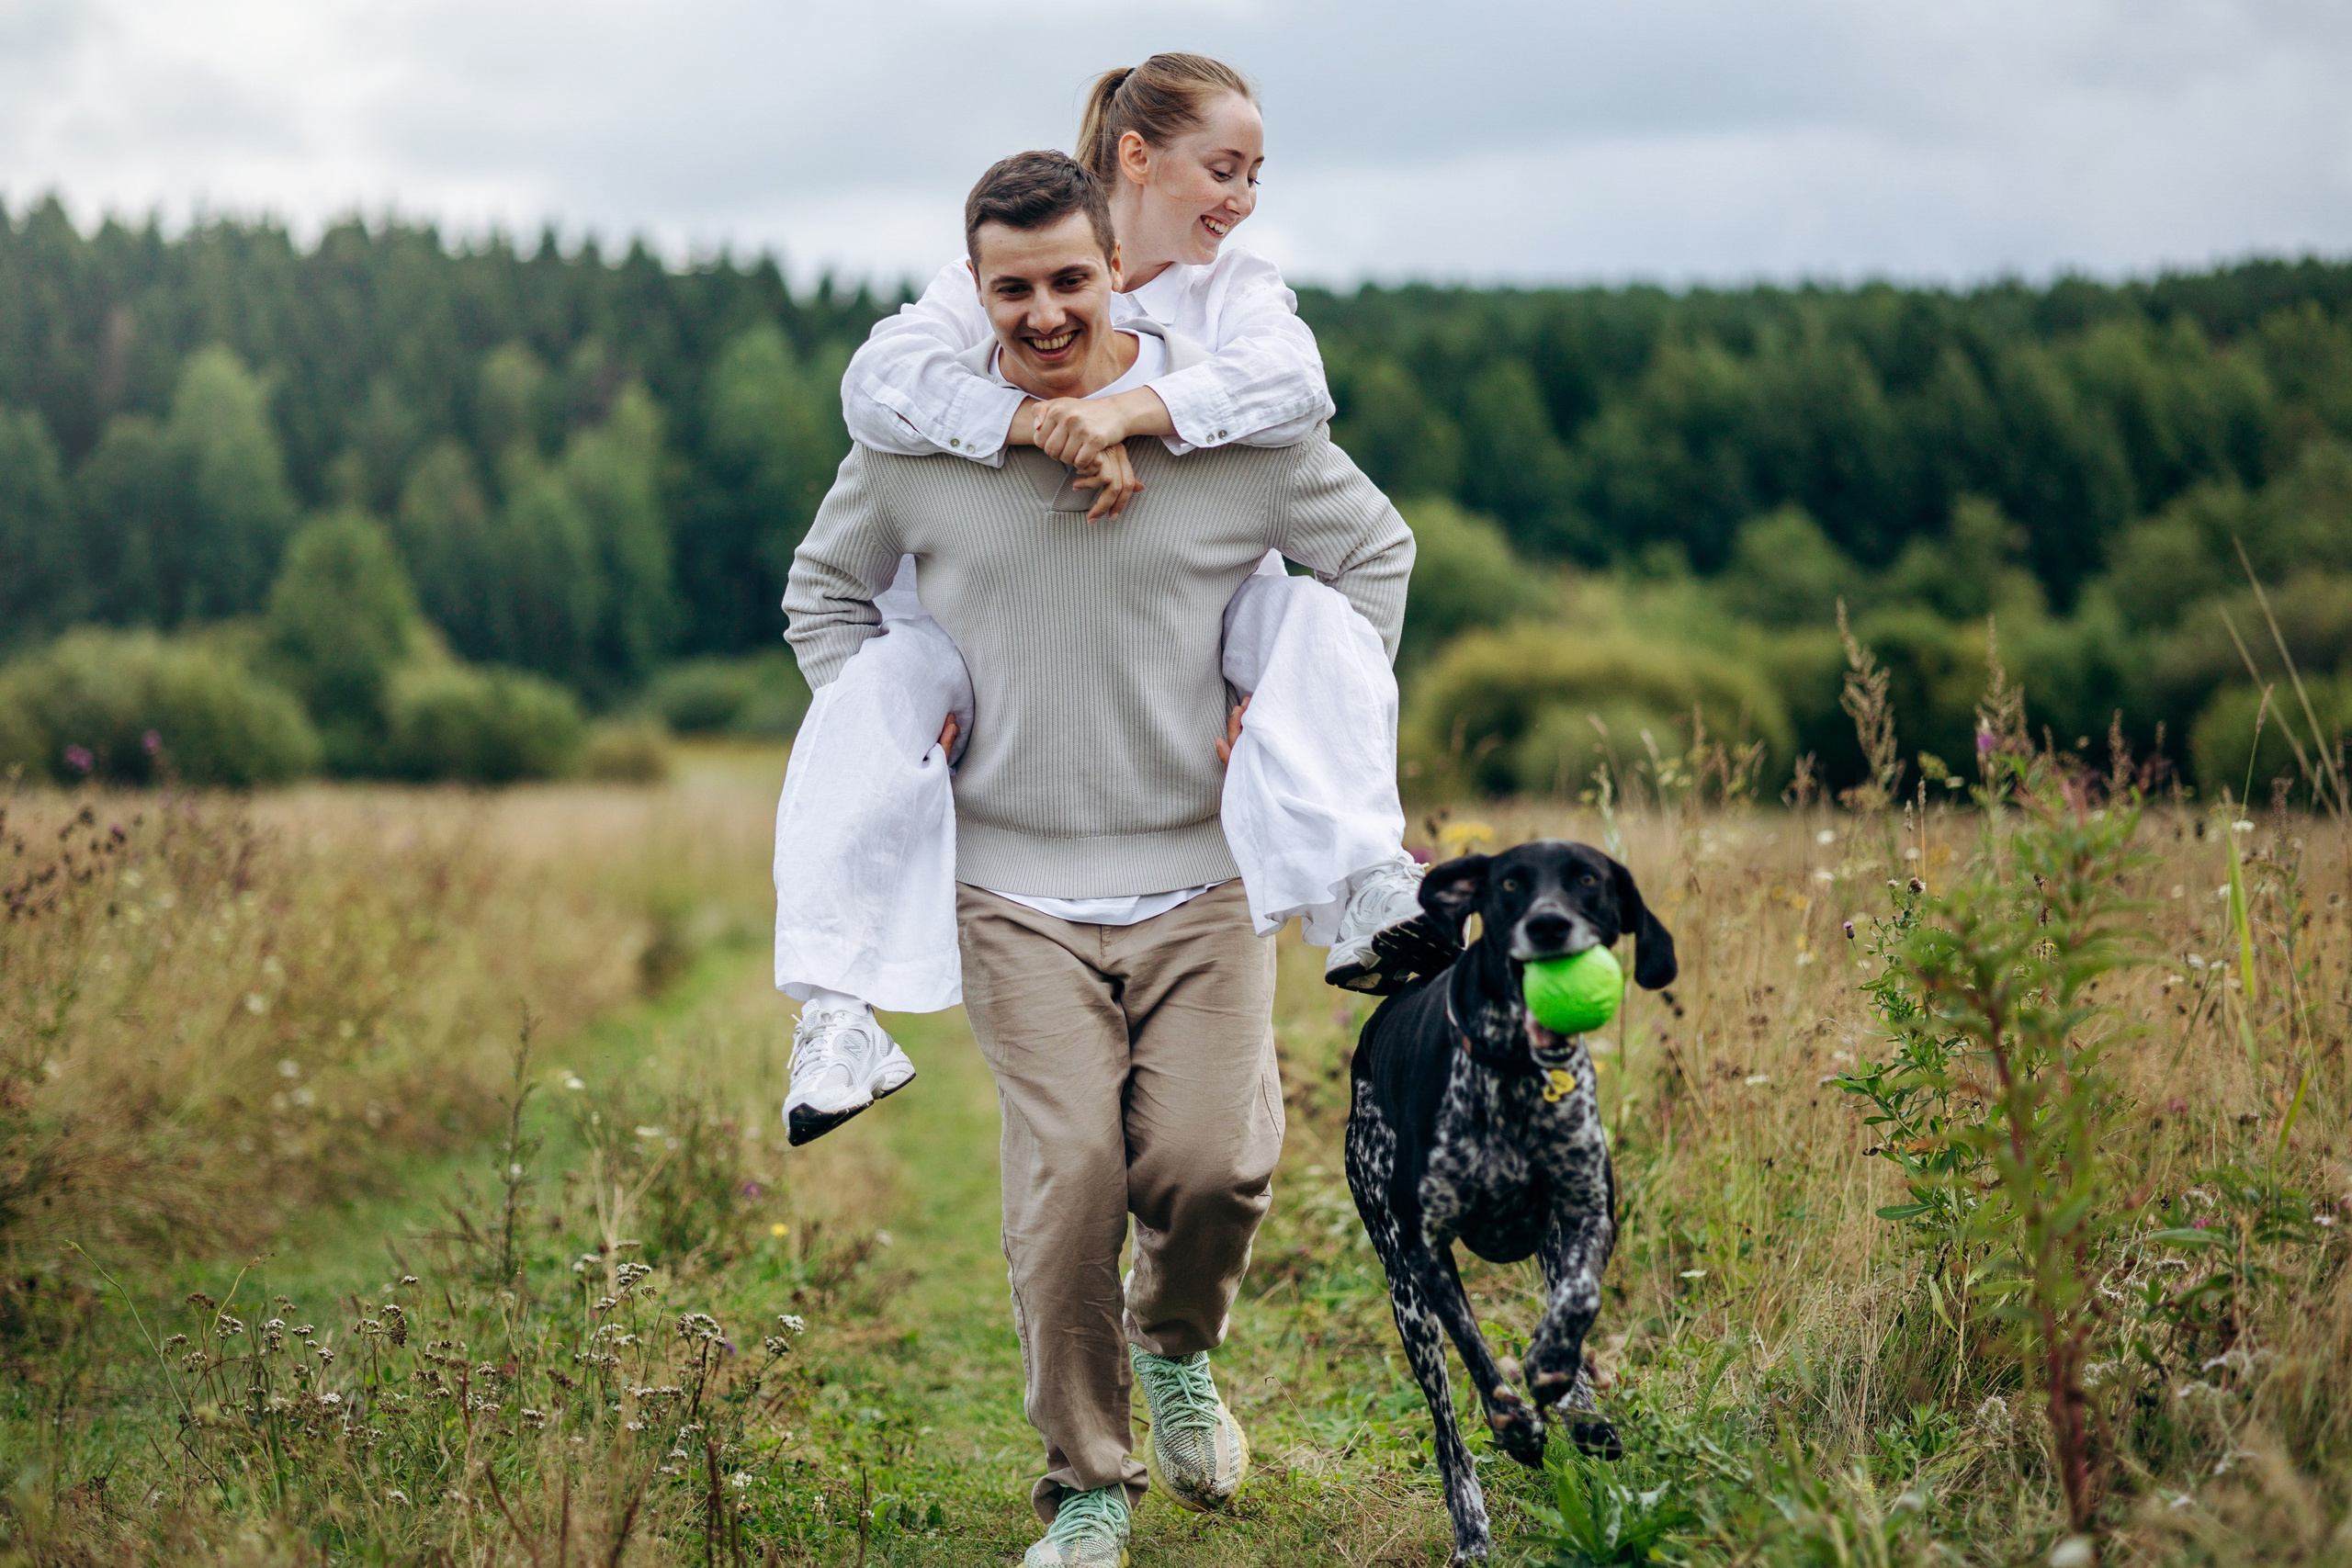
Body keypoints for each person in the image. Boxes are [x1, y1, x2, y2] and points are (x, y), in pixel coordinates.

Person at [783, 152, 1414, 1568]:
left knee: (1210, 1162)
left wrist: (1294, 709)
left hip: (1204, 873)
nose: (1046, 312)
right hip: (1011, 881)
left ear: (1117, 268)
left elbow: (1374, 555)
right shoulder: (917, 448)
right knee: (1070, 1172)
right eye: (1014, 289)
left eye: (1071, 278)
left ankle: (1177, 1342)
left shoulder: (1231, 432)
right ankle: (1085, 1482)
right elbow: (822, 596)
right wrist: (903, 727)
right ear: (977, 288)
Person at [775, 53, 1441, 1145]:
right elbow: (879, 383)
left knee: (1306, 617)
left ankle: (1366, 876)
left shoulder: (1240, 291)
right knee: (878, 690)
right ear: (1137, 157)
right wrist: (1039, 424)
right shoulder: (1017, 269)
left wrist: (1134, 411)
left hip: (1213, 621)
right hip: (978, 640)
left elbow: (1295, 388)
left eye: (1255, 174)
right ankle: (837, 1009)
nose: (1242, 197)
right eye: (1221, 167)